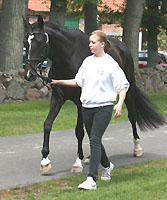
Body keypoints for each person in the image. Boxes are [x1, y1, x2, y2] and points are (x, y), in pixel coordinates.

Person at [48, 30, 130, 190]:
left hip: (104, 107)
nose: (90, 45)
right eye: (89, 42)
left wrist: (119, 103)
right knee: (95, 140)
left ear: (102, 44)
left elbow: (122, 85)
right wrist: (58, 82)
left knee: (94, 139)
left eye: (93, 42)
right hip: (87, 107)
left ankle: (91, 179)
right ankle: (107, 166)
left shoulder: (110, 63)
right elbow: (78, 81)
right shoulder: (87, 62)